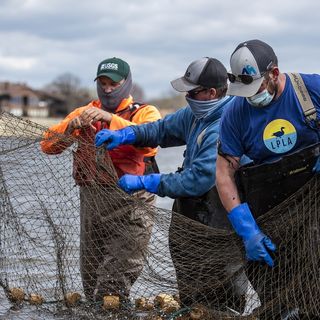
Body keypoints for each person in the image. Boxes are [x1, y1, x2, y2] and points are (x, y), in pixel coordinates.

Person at [95, 57, 258, 313]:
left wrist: (146, 181)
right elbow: (161, 129)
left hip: (220, 218)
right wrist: (126, 134)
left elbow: (197, 179)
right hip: (192, 216)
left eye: (192, 92)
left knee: (221, 302)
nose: (187, 97)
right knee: (191, 301)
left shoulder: (225, 124)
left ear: (211, 93)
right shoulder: (196, 113)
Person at [40, 57, 162, 302]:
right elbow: (47, 146)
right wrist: (68, 129)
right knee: (91, 281)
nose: (107, 89)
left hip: (132, 205)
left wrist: (109, 120)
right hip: (93, 204)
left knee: (112, 287)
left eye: (113, 84)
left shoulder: (145, 112)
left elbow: (151, 145)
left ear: (127, 84)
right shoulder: (83, 112)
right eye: (103, 83)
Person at [215, 39, 320, 316]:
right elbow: (224, 172)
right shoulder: (235, 114)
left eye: (256, 88)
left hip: (315, 199)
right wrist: (245, 228)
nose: (251, 97)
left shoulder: (310, 90)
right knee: (276, 291)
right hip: (270, 207)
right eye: (244, 91)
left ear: (273, 73)